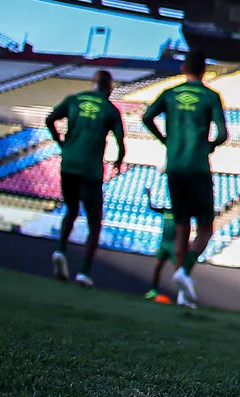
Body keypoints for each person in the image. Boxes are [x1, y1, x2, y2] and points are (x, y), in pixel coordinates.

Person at [141, 53, 230, 306]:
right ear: (205, 70)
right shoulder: (211, 96)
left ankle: (182, 293)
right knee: (204, 229)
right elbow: (223, 134)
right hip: (197, 166)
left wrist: (166, 141)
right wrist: (209, 146)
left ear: (183, 68)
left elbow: (147, 118)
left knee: (181, 227)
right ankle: (183, 273)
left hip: (175, 167)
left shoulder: (169, 93)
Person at [46, 69, 127, 288]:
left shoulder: (74, 100)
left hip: (69, 165)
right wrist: (119, 162)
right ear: (109, 87)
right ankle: (84, 272)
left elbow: (50, 119)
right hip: (90, 171)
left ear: (93, 83)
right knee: (94, 223)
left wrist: (61, 143)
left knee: (71, 211)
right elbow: (120, 141)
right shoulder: (110, 110)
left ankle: (61, 249)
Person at [144, 187, 176, 302]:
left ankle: (182, 295)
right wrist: (149, 196)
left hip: (174, 245)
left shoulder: (179, 212)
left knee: (178, 271)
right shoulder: (166, 211)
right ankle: (154, 290)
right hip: (164, 244)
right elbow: (152, 207)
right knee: (157, 267)